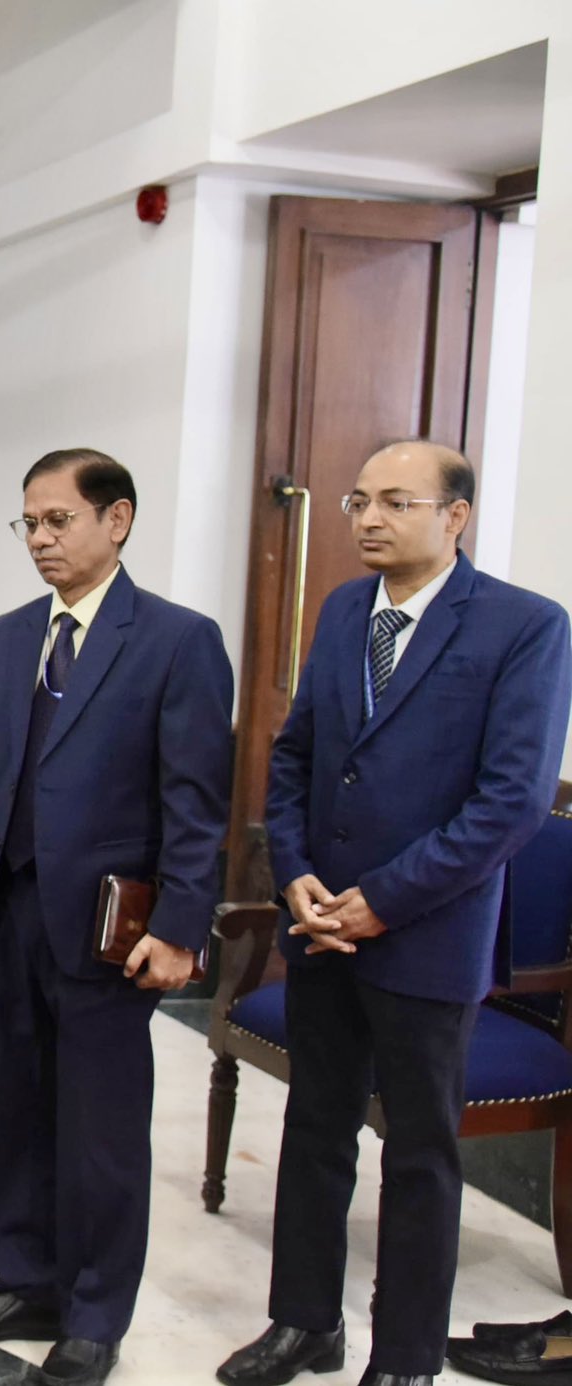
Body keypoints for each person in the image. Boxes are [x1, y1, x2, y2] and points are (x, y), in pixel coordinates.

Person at [218, 441, 572, 1386]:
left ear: (454, 517)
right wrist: (293, 872)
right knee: (314, 1132)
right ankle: (303, 1324)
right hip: (321, 923)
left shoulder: (524, 626)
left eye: (396, 502)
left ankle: (406, 1358)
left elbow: (513, 800)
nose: (369, 518)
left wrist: (384, 901)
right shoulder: (341, 611)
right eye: (359, 500)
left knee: (420, 1156)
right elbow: (295, 758)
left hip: (428, 935)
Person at [0, 449, 234, 1386]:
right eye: (30, 524)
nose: (41, 540)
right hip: (11, 914)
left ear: (119, 520)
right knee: (11, 1112)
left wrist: (179, 928)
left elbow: (195, 801)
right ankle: (23, 1276)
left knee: (98, 1131)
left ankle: (96, 1312)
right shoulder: (10, 636)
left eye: (59, 520)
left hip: (110, 929)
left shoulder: (178, 641)